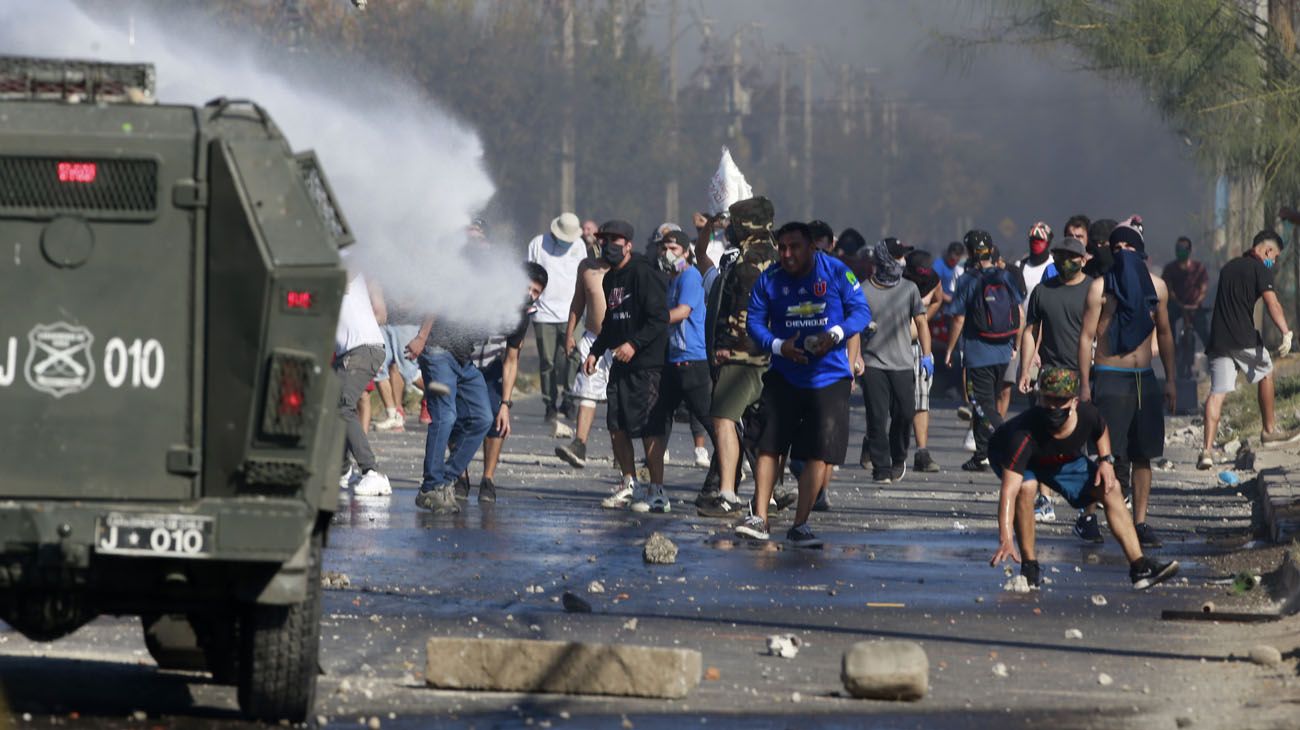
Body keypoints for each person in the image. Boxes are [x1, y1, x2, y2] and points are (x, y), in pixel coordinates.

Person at [734, 221, 872, 547]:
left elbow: (861, 311)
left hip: (829, 376)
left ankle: (800, 524)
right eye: (782, 248)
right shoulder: (769, 278)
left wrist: (835, 335)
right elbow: (754, 320)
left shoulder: (837, 272)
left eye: (794, 247)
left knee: (817, 452)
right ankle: (759, 518)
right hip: (784, 372)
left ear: (812, 247)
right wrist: (779, 345)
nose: (787, 254)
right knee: (769, 445)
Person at [988, 367, 1179, 590]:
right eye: (1049, 399)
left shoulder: (1087, 415)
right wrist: (1006, 537)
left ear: (1074, 402)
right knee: (1026, 487)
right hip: (1012, 457)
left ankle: (1140, 567)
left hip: (1058, 458)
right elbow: (1009, 491)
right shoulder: (1022, 434)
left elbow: (1101, 430)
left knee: (1111, 487)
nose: (1054, 407)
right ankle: (1030, 567)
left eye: (1061, 401)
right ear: (1039, 398)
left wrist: (1106, 461)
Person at [1077, 222, 1176, 547]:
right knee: (1105, 454)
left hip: (1143, 378)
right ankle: (1089, 515)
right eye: (1116, 249)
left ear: (1141, 254)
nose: (1122, 255)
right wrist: (1086, 386)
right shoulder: (1100, 289)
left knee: (1143, 454)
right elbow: (1087, 337)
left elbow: (1164, 333)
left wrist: (1171, 380)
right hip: (1110, 376)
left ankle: (1141, 522)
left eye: (1128, 249)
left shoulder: (1157, 289)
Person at [695, 197, 780, 516]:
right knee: (759, 427)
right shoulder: (773, 253)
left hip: (744, 356)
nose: (730, 229)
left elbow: (743, 308)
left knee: (723, 418)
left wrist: (727, 344)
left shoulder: (749, 262)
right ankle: (765, 494)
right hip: (768, 352)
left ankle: (727, 492)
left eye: (735, 223)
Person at [582, 220, 670, 512]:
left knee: (649, 427)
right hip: (618, 363)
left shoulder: (644, 274)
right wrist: (595, 352)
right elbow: (609, 323)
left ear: (629, 245)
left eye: (616, 241)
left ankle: (657, 491)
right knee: (616, 425)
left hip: (647, 364)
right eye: (605, 240)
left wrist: (634, 344)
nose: (609, 245)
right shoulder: (610, 280)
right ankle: (629, 483)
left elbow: (659, 319)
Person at [452, 263, 549, 502]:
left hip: (491, 366)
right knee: (457, 419)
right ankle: (459, 476)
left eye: (536, 292)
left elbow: (512, 360)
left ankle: (488, 479)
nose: (529, 295)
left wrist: (506, 403)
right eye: (527, 287)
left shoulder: (522, 316)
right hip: (461, 363)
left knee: (496, 418)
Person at [1199, 230, 1296, 469]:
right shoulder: (1260, 269)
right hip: (1243, 337)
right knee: (1267, 373)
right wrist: (1286, 331)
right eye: (1274, 256)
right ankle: (1269, 431)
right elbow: (1272, 303)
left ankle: (1207, 451)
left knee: (1218, 391)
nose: (1273, 261)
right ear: (1266, 250)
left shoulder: (1228, 268)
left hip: (1219, 339)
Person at [1018, 234, 1092, 525]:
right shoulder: (1042, 291)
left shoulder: (1093, 290)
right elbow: (1030, 332)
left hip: (1084, 374)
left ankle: (1086, 510)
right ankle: (1045, 499)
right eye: (1059, 257)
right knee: (1045, 439)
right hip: (1051, 374)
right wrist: (1025, 370)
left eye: (1071, 258)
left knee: (1082, 440)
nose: (1065, 262)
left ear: (1083, 260)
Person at [643, 230, 715, 499]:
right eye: (663, 248)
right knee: (657, 421)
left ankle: (733, 473)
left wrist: (651, 323)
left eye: (673, 248)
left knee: (712, 422)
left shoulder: (690, 276)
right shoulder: (671, 279)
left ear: (686, 252)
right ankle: (655, 487)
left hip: (693, 361)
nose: (667, 253)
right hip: (672, 361)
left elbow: (683, 312)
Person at [945, 230, 1023, 472]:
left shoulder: (968, 280)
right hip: (1003, 351)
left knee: (982, 404)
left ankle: (1013, 442)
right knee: (987, 402)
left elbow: (958, 318)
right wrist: (1016, 346)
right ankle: (981, 455)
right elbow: (1019, 313)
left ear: (969, 252)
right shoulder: (1006, 276)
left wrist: (949, 349)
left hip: (978, 354)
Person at [406, 305, 494, 515]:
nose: (531, 295)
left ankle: (445, 481)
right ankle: (430, 487)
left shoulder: (509, 301)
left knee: (483, 417)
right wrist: (421, 337)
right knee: (446, 416)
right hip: (438, 351)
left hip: (463, 361)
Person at [859, 239, 930, 483]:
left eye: (903, 257)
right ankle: (881, 467)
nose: (902, 262)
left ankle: (898, 457)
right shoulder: (863, 290)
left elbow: (921, 323)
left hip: (902, 363)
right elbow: (854, 327)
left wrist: (928, 357)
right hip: (873, 363)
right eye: (897, 257)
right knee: (877, 418)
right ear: (884, 259)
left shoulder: (909, 289)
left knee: (905, 414)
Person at [335, 267, 392, 497]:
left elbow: (347, 273)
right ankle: (342, 471)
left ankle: (373, 472)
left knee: (341, 405)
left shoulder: (346, 261)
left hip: (363, 349)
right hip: (348, 351)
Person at [555, 240, 613, 469]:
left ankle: (622, 453)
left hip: (620, 341)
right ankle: (579, 444)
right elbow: (578, 301)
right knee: (587, 391)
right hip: (593, 338)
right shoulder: (586, 268)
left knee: (619, 398)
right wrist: (570, 333)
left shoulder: (630, 269)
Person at [526, 212, 586, 424]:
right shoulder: (537, 244)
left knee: (574, 356)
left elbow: (583, 276)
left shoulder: (579, 245)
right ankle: (550, 403)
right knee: (547, 361)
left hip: (572, 312)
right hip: (544, 313)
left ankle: (569, 398)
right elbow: (528, 273)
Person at [903, 250, 942, 472]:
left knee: (921, 398)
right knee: (888, 400)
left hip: (918, 345)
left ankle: (922, 452)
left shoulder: (933, 280)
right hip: (893, 343)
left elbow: (937, 299)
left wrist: (924, 320)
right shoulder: (898, 280)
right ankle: (875, 444)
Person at [1161, 236, 1211, 362]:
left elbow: (1203, 289)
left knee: (1205, 334)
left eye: (1183, 249)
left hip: (1195, 307)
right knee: (1167, 326)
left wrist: (1197, 302)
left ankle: (1213, 361)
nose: (1180, 252)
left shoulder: (1199, 268)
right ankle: (1171, 354)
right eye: (1178, 249)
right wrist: (1178, 303)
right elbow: (1168, 288)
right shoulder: (1170, 269)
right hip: (1176, 306)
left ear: (1190, 250)